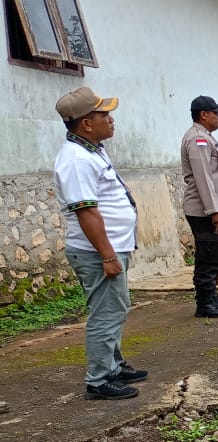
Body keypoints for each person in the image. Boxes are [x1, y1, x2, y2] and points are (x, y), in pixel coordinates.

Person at [53, 87, 148, 400]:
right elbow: (87, 211)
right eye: (103, 114)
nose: (111, 119)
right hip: (98, 252)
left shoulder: (92, 149)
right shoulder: (76, 160)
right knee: (105, 313)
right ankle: (99, 379)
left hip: (112, 247)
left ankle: (114, 364)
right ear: (86, 124)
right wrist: (107, 256)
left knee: (116, 307)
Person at [181, 96, 218, 318]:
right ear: (204, 114)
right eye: (215, 113)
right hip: (204, 211)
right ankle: (204, 303)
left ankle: (211, 295)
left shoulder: (206, 138)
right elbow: (203, 178)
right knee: (207, 254)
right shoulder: (197, 140)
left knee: (215, 253)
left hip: (213, 209)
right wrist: (214, 211)